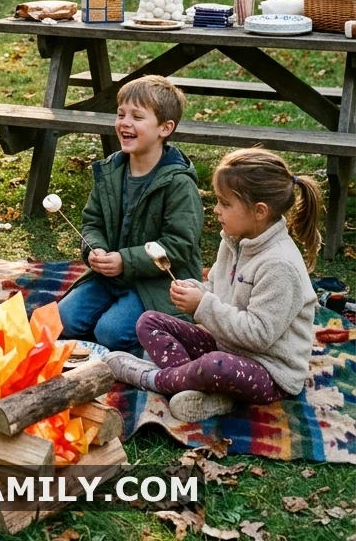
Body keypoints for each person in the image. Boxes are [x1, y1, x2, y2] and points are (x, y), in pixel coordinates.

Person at [105, 149, 320, 423]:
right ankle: (199, 390)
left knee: (215, 366)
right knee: (148, 321)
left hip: (269, 371)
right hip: (226, 345)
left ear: (259, 211)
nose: (216, 209)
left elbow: (258, 335)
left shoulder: (280, 265)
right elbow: (218, 289)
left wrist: (202, 305)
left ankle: (154, 378)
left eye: (225, 203)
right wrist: (197, 290)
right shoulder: (233, 240)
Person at [56, 76, 203, 353]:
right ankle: (113, 315)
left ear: (165, 128)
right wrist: (94, 249)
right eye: (121, 114)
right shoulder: (111, 171)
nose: (125, 123)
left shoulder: (178, 183)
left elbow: (179, 245)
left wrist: (125, 260)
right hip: (110, 277)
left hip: (160, 285)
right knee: (62, 321)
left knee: (110, 333)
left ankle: (168, 327)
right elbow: (92, 222)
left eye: (137, 116)